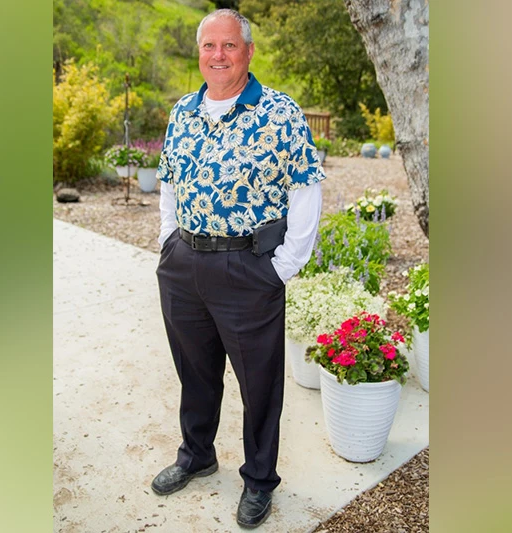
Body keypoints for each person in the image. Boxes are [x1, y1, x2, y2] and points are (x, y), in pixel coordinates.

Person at [151, 8, 326, 530]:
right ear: (199, 54)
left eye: (229, 46)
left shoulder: (280, 113)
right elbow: (168, 182)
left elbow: (306, 188)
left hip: (249, 269)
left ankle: (258, 480)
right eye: (209, 46)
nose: (218, 55)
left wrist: (283, 267)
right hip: (185, 265)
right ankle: (197, 454)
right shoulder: (183, 111)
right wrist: (167, 243)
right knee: (195, 372)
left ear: (248, 52)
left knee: (259, 384)